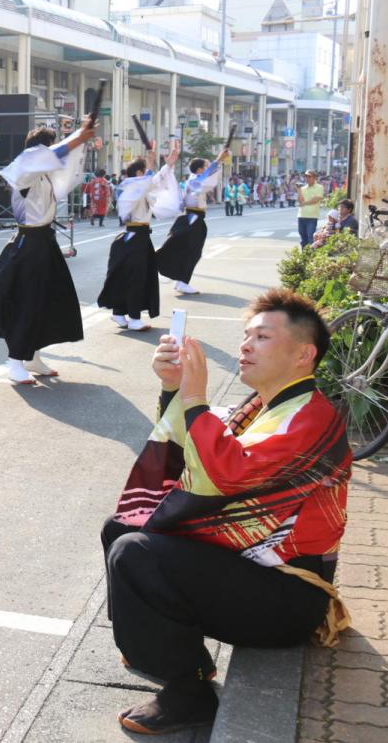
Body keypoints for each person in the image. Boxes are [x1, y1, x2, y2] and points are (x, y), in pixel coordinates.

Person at [102, 288, 351, 735]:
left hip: (289, 596)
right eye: (246, 336)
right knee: (122, 525)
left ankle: (189, 690)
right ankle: (152, 644)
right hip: (257, 573)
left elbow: (223, 477)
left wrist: (194, 398)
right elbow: (190, 456)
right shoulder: (269, 406)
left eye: (262, 337)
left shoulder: (309, 418)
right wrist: (174, 389)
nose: (246, 345)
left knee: (136, 553)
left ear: (304, 354)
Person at [0, 121, 94, 384]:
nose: (49, 154)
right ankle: (15, 361)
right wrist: (78, 138)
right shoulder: (25, 167)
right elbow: (52, 155)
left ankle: (33, 355)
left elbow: (65, 163)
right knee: (26, 302)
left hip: (45, 241)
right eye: (47, 148)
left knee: (49, 301)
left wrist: (80, 135)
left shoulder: (42, 172)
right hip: (29, 244)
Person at [97, 141, 181, 332]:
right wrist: (152, 164)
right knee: (136, 278)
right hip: (135, 238)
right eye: (144, 171)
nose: (148, 174)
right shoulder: (131, 187)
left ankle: (119, 313)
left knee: (130, 277)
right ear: (138, 173)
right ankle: (133, 317)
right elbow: (147, 183)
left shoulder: (138, 185)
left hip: (138, 238)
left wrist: (168, 165)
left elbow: (156, 181)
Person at [156, 148, 229, 296]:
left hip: (192, 218)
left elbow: (208, 178)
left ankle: (181, 281)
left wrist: (219, 160)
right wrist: (219, 159)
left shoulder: (193, 180)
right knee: (192, 252)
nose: (208, 169)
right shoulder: (195, 181)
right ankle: (182, 282)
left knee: (188, 251)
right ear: (200, 169)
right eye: (206, 167)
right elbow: (208, 178)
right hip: (192, 219)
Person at [297, 169, 325, 247]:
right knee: (303, 238)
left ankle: (310, 257)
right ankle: (304, 256)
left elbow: (315, 200)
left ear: (314, 177)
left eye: (309, 176)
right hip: (301, 215)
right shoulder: (303, 188)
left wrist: (304, 203)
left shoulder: (319, 187)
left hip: (312, 217)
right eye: (305, 176)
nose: (307, 178)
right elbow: (300, 201)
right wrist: (299, 190)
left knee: (310, 237)